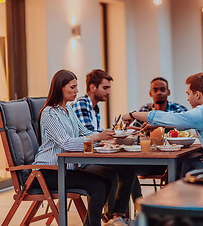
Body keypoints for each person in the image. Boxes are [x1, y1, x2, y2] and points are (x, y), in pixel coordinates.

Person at [122, 72, 203, 176]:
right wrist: (159, 124)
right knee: (188, 163)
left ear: (197, 94)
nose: (187, 98)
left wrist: (132, 114)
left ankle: (178, 205)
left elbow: (172, 117)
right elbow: (182, 121)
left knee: (187, 165)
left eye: (188, 94)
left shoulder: (201, 114)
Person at [32, 69, 116, 226]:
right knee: (98, 186)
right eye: (72, 87)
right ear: (60, 88)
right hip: (48, 172)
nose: (77, 91)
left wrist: (107, 137)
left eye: (76, 86)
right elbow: (67, 143)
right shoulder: (49, 113)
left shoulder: (68, 110)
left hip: (67, 169)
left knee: (108, 181)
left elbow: (85, 133)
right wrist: (98, 137)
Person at [72, 69, 136, 226]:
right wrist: (115, 134)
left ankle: (116, 216)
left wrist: (120, 132)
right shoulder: (82, 104)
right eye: (105, 88)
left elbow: (98, 133)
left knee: (129, 169)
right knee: (112, 174)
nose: (108, 92)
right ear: (93, 87)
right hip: (82, 159)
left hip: (94, 156)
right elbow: (89, 136)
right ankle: (110, 217)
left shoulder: (95, 108)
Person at [130, 77, 187, 202]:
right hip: (151, 159)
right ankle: (140, 206)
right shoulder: (145, 110)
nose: (159, 93)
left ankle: (168, 205)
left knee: (181, 167)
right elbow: (138, 133)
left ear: (168, 92)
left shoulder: (179, 109)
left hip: (172, 160)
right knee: (128, 169)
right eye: (155, 90)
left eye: (162, 89)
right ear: (150, 93)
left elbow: (185, 127)